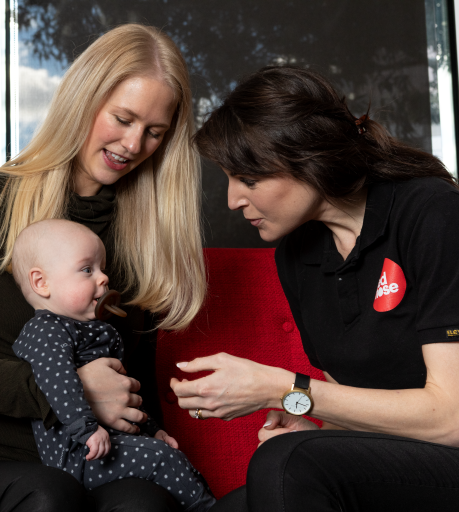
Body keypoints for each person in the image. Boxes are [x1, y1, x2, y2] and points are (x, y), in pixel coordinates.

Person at [171, 65, 459, 512]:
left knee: (284, 464)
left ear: (306, 159)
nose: (232, 200)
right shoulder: (299, 255)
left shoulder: (430, 213)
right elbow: (357, 399)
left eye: (247, 179)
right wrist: (313, 426)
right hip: (402, 463)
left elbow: (452, 418)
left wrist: (283, 389)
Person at [0, 24, 206, 512]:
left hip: (102, 457)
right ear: (82, 101)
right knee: (50, 495)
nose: (133, 145)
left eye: (154, 132)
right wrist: (69, 392)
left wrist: (153, 433)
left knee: (148, 503)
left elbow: (133, 380)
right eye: (123, 118)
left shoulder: (143, 239)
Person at [11, 219, 215, 511]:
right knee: (160, 458)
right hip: (79, 454)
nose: (103, 278)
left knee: (163, 454)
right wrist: (85, 429)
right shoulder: (45, 329)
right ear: (41, 283)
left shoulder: (98, 330)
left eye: (101, 268)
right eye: (87, 270)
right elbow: (58, 383)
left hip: (109, 441)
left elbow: (125, 394)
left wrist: (152, 428)